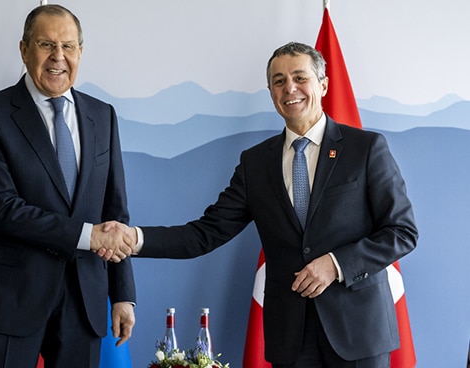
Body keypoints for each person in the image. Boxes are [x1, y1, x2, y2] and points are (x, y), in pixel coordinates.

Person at [103, 42, 418, 367]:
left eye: (300, 77)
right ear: (270, 92)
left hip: (359, 333)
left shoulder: (365, 148)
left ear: (323, 84)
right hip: (290, 339)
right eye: (279, 81)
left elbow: (402, 231)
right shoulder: (256, 164)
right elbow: (205, 233)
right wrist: (134, 239)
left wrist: (335, 264)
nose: (290, 88)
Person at [0, 4, 136, 368]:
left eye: (68, 46)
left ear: (81, 53)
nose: (58, 57)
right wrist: (88, 236)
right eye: (46, 45)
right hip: (7, 300)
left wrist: (122, 294)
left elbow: (114, 210)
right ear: (23, 50)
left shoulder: (103, 116)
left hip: (84, 299)